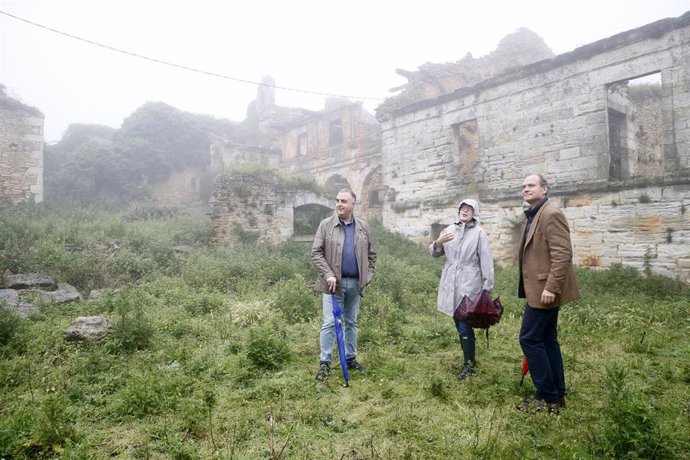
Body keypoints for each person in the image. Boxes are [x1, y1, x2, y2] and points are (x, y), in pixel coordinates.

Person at [516, 174, 580, 414]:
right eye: (523, 186)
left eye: (531, 185)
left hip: (544, 290)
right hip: (539, 289)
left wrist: (551, 287)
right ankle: (558, 395)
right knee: (546, 340)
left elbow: (563, 254)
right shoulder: (535, 214)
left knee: (529, 339)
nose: (526, 189)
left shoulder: (551, 214)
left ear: (545, 189)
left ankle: (546, 395)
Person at [312, 188, 377, 382]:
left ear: (352, 205)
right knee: (330, 323)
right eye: (337, 200)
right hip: (333, 285)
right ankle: (325, 363)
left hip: (356, 285)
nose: (339, 204)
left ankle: (350, 358)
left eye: (344, 201)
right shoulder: (326, 225)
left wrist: (367, 276)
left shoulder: (363, 227)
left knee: (351, 322)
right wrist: (328, 274)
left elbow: (372, 255)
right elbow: (316, 253)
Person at [430, 199, 494, 381]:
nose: (465, 211)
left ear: (474, 213)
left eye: (469, 209)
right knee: (458, 322)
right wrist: (438, 242)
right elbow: (434, 253)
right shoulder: (449, 230)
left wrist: (487, 287)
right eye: (462, 208)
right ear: (458, 211)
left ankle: (469, 365)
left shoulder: (479, 234)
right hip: (450, 281)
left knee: (465, 323)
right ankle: (468, 360)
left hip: (469, 282)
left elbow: (486, 261)